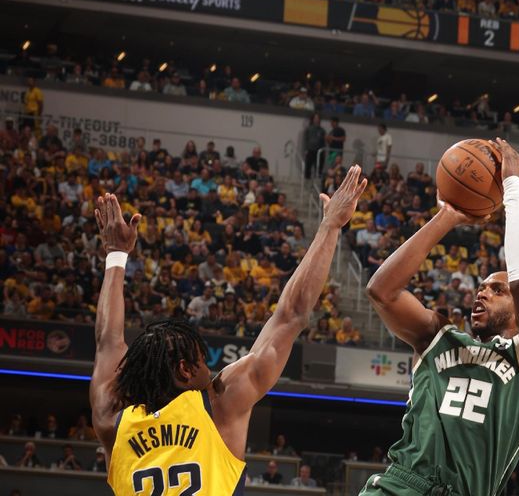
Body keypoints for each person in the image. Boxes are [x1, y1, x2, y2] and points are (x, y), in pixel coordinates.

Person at [90, 166, 366, 495]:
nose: (210, 367)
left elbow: (108, 342)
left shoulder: (112, 420)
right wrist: (331, 226)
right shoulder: (218, 405)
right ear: (184, 370)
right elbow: (291, 314)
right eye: (201, 360)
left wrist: (116, 256)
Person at [360, 139, 519, 496]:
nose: (482, 292)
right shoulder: (438, 336)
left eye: (497, 290)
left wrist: (512, 188)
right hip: (400, 486)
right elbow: (381, 291)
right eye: (481, 288)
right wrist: (448, 216)